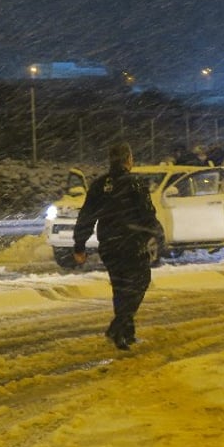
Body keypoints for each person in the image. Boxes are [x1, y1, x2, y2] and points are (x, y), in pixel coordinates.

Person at [72, 142, 158, 350]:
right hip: (131, 243)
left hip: (109, 245)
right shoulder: (135, 183)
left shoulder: (99, 185)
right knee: (140, 282)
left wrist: (79, 245)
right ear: (129, 159)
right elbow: (148, 215)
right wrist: (147, 237)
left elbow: (86, 216)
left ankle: (127, 333)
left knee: (120, 288)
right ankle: (118, 327)